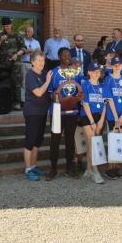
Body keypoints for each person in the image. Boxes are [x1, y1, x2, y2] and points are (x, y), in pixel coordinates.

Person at [46, 47, 82, 180]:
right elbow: (50, 94)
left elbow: (80, 90)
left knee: (70, 140)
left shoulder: (76, 73)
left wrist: (76, 98)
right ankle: (53, 168)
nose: (67, 57)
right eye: (64, 55)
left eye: (69, 55)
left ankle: (70, 168)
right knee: (55, 140)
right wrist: (61, 100)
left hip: (72, 112)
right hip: (57, 112)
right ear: (59, 56)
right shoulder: (54, 73)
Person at [22, 50, 52, 181]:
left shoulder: (45, 74)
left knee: (37, 141)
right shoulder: (30, 75)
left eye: (43, 60)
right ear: (32, 62)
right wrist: (48, 81)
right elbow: (39, 93)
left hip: (42, 111)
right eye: (39, 61)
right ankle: (27, 169)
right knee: (30, 140)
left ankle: (33, 166)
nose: (41, 63)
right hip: (32, 112)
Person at [79, 62, 107, 185]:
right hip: (87, 116)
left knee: (92, 144)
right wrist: (92, 122)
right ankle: (96, 172)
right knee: (92, 143)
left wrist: (100, 121)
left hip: (99, 117)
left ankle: (88, 169)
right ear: (89, 72)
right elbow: (85, 104)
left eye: (98, 71)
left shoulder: (103, 86)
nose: (97, 73)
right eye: (94, 71)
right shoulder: (85, 85)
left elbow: (105, 104)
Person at [103, 55, 122, 179]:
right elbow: (109, 100)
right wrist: (115, 117)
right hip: (112, 116)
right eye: (115, 65)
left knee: (120, 142)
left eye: (119, 64)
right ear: (111, 66)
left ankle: (117, 167)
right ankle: (110, 168)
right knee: (112, 141)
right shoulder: (108, 79)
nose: (117, 66)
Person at [0, 17, 26, 110]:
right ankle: (6, 103)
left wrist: (16, 54)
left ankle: (17, 103)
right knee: (4, 83)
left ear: (11, 25)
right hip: (3, 64)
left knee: (16, 83)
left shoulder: (17, 35)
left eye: (8, 26)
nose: (6, 28)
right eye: (4, 26)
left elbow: (24, 48)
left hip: (16, 64)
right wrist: (1, 41)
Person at [21, 26, 41, 104]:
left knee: (34, 82)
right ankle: (23, 100)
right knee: (23, 82)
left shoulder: (36, 42)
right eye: (26, 31)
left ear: (32, 33)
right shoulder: (22, 41)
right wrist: (27, 51)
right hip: (24, 63)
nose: (27, 33)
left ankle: (34, 99)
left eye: (29, 32)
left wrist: (34, 52)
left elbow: (39, 53)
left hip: (34, 65)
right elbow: (21, 51)